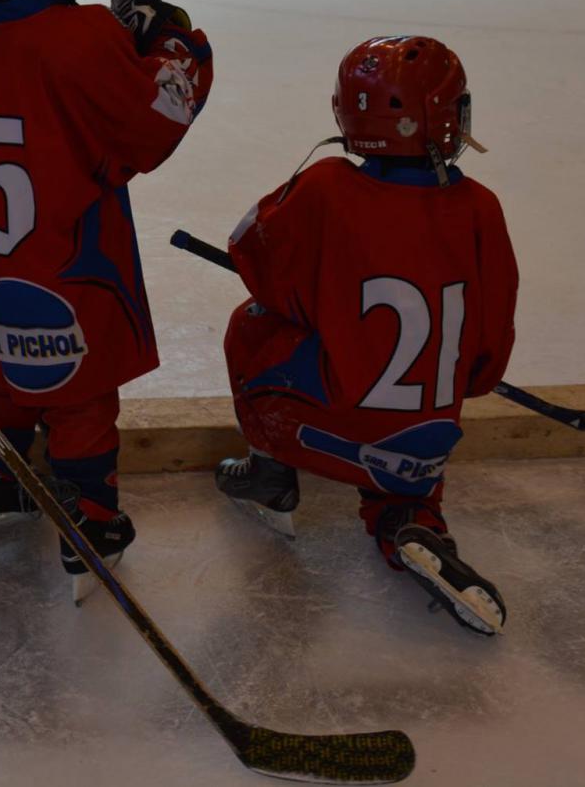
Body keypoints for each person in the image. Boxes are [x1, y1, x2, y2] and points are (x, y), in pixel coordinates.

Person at [0, 0, 213, 601]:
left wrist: (114, 45)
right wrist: (169, 39)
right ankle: (91, 520)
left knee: (2, 380)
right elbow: (153, 121)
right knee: (80, 395)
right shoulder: (82, 35)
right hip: (66, 264)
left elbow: (49, 96)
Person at [215, 36, 517, 637]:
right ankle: (410, 516)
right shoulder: (481, 207)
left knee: (251, 324)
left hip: (324, 424)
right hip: (424, 437)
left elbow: (254, 256)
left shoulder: (326, 187)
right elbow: (487, 351)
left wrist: (322, 302)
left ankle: (272, 471)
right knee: (413, 436)